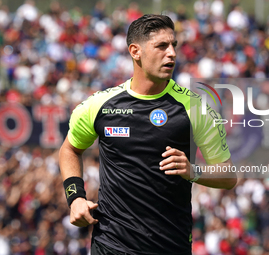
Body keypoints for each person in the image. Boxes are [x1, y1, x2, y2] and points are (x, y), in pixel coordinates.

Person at [59, 14, 237, 255]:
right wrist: (76, 197)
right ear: (135, 51)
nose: (172, 53)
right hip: (111, 244)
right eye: (162, 46)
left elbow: (228, 175)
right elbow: (70, 149)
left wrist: (194, 172)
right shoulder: (99, 105)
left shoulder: (195, 107)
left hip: (170, 246)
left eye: (174, 45)